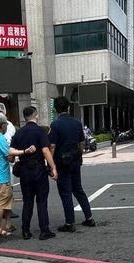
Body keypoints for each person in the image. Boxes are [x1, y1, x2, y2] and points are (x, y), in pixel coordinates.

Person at [10, 106, 58, 240]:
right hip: (39, 170)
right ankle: (44, 230)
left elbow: (11, 153)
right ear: (36, 116)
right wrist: (53, 167)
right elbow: (46, 151)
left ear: (24, 118)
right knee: (41, 201)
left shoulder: (19, 133)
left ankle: (25, 231)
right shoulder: (40, 131)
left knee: (28, 201)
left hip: (24, 171)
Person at [49, 96, 95, 233]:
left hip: (62, 163)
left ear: (55, 109)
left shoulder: (55, 125)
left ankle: (69, 223)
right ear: (68, 108)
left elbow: (52, 146)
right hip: (75, 160)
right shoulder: (77, 123)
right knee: (78, 189)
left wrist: (50, 165)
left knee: (65, 193)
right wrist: (79, 154)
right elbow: (81, 143)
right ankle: (89, 217)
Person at [0, 112, 35, 237]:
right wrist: (24, 151)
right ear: (2, 125)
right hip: (1, 175)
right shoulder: (0, 139)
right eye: (6, 124)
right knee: (2, 202)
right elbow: (10, 157)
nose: (7, 127)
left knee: (7, 199)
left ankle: (8, 224)